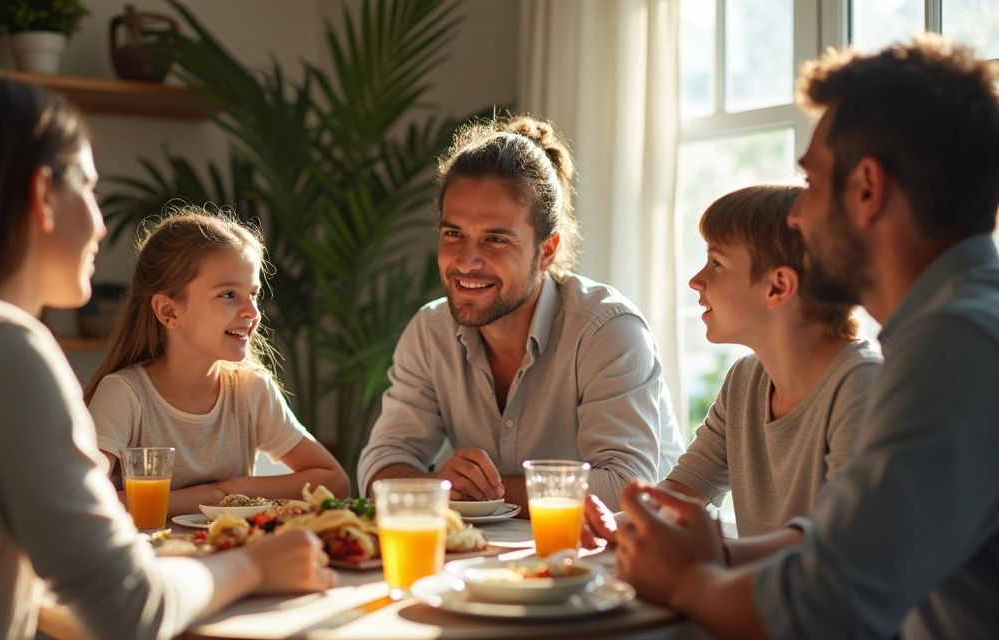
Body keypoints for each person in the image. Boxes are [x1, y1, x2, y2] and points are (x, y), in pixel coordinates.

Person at [0, 73, 337, 640]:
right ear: (43, 194)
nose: (101, 225)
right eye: (90, 190)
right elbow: (130, 608)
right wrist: (252, 566)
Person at [599, 35, 999, 639]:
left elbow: (826, 604)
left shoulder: (955, 344)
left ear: (867, 190)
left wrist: (687, 580)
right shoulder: (953, 327)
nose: (796, 215)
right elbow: (849, 544)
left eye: (811, 182)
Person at [357, 115, 685, 510]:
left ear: (546, 251)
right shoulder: (430, 332)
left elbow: (624, 488)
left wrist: (485, 493)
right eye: (453, 234)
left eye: (495, 239)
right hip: (508, 549)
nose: (465, 261)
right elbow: (380, 465)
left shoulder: (607, 330)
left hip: (649, 545)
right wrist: (437, 485)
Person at [594, 185, 880, 539]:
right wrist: (600, 528)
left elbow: (837, 545)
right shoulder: (746, 380)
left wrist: (715, 557)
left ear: (778, 287)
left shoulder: (860, 385)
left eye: (716, 263)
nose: (695, 280)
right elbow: (678, 494)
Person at [85, 208, 349, 515]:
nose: (252, 311)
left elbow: (335, 482)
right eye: (228, 294)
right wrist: (210, 495)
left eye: (254, 294)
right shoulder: (124, 394)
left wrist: (231, 490)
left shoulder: (251, 390)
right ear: (169, 311)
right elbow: (85, 497)